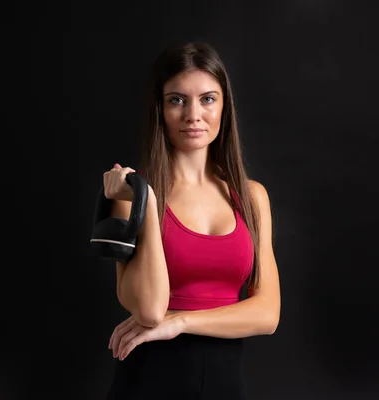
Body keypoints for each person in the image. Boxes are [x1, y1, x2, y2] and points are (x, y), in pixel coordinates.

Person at [101, 41, 281, 400]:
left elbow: (267, 313)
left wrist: (181, 322)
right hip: (149, 382)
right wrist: (148, 201)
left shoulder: (252, 198)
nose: (193, 115)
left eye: (208, 99)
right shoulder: (132, 197)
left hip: (225, 385)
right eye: (177, 100)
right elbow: (151, 311)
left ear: (224, 107)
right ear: (160, 109)